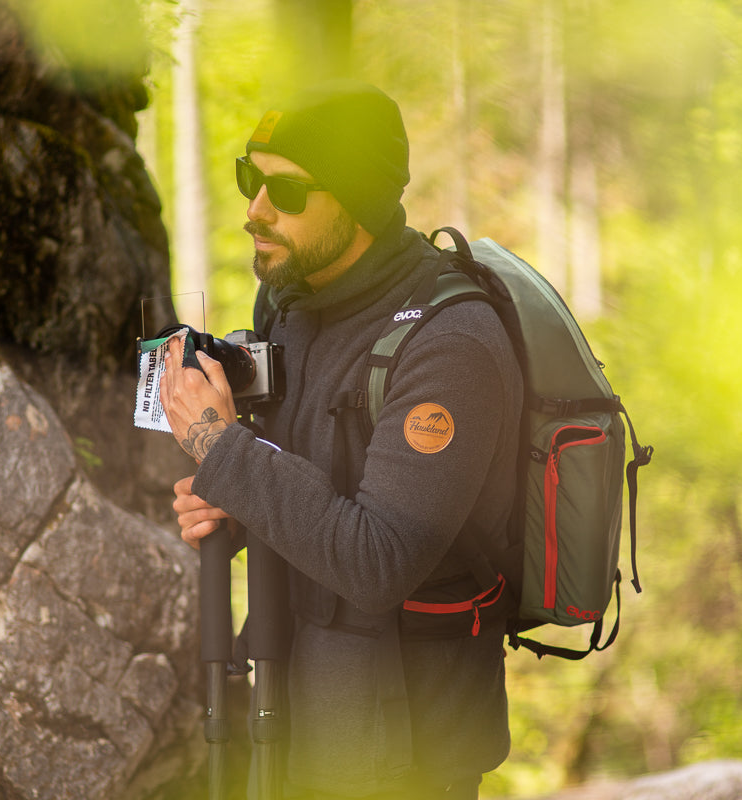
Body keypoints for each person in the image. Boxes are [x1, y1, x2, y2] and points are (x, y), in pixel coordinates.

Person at [159, 80, 523, 800]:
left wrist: (218, 447)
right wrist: (231, 506)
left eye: (285, 193)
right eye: (248, 178)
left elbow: (378, 560)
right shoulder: (292, 301)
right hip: (290, 706)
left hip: (404, 749)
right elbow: (303, 478)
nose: (254, 210)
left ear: (355, 200)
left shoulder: (451, 343)